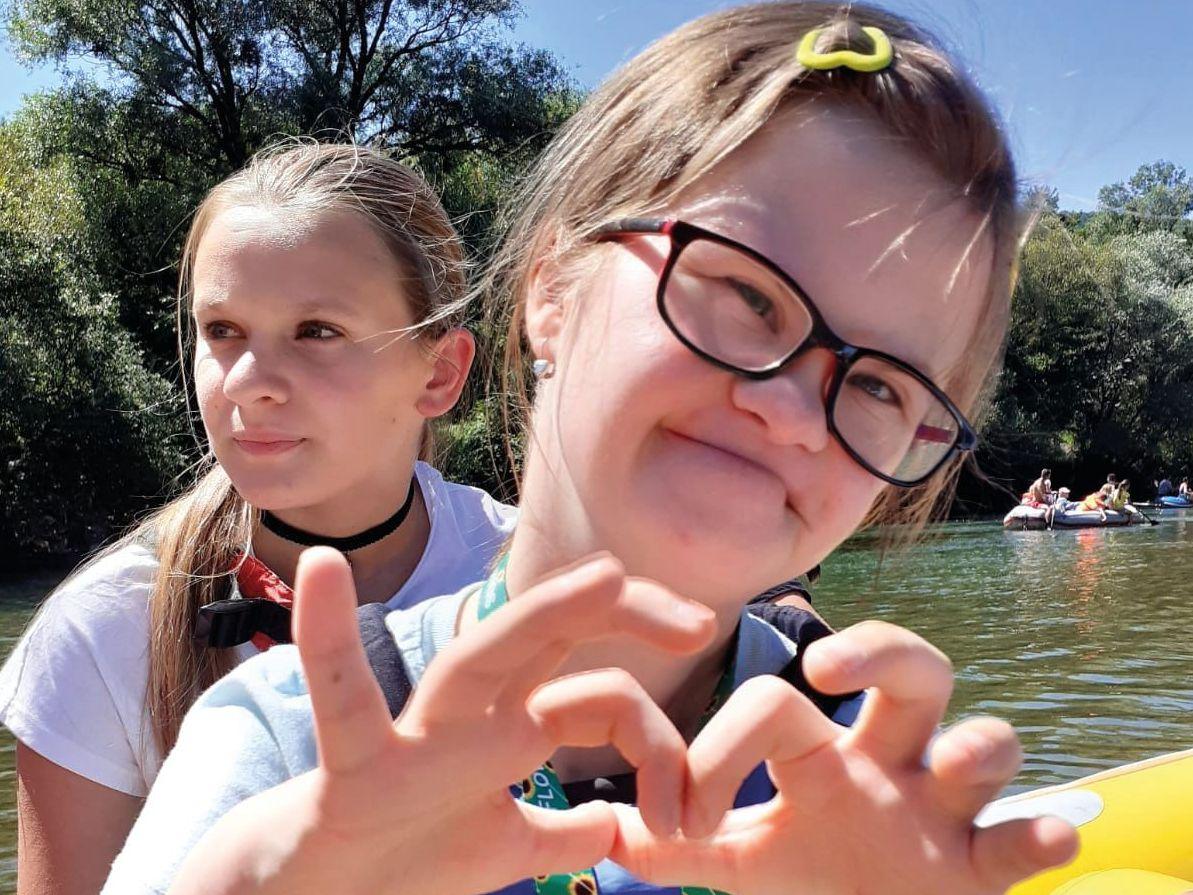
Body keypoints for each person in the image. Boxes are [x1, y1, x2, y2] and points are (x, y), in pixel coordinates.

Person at [102, 6, 1078, 895]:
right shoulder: (288, 741)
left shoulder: (878, 792)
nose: (792, 409)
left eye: (878, 385)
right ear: (552, 292)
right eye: (745, 293)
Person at [0, 142, 520, 895]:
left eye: (316, 331)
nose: (247, 382)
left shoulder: (526, 572)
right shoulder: (104, 630)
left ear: (440, 372)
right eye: (222, 330)